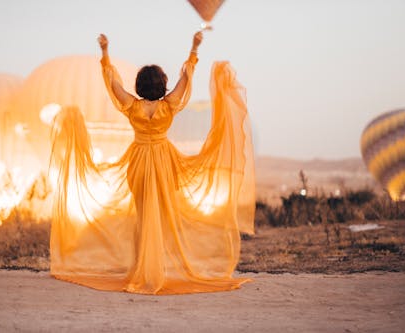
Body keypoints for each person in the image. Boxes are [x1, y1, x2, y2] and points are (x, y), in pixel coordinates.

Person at [50, 31, 255, 295]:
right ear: (161, 85)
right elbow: (186, 78)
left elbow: (112, 83)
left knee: (143, 216)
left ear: (139, 85)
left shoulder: (132, 107)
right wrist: (194, 48)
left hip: (138, 161)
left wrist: (105, 52)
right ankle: (155, 268)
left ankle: (142, 269)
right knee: (160, 217)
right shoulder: (169, 107)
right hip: (163, 161)